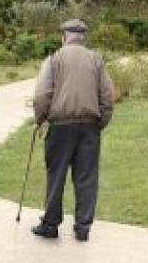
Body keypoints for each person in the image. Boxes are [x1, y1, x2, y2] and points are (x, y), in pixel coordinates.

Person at [29, 18, 116, 242]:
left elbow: (41, 95)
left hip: (60, 127)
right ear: (83, 36)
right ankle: (83, 228)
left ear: (64, 36)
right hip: (89, 126)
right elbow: (107, 97)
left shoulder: (54, 59)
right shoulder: (96, 60)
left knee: (56, 175)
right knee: (86, 177)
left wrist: (39, 119)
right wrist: (100, 122)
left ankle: (50, 225)